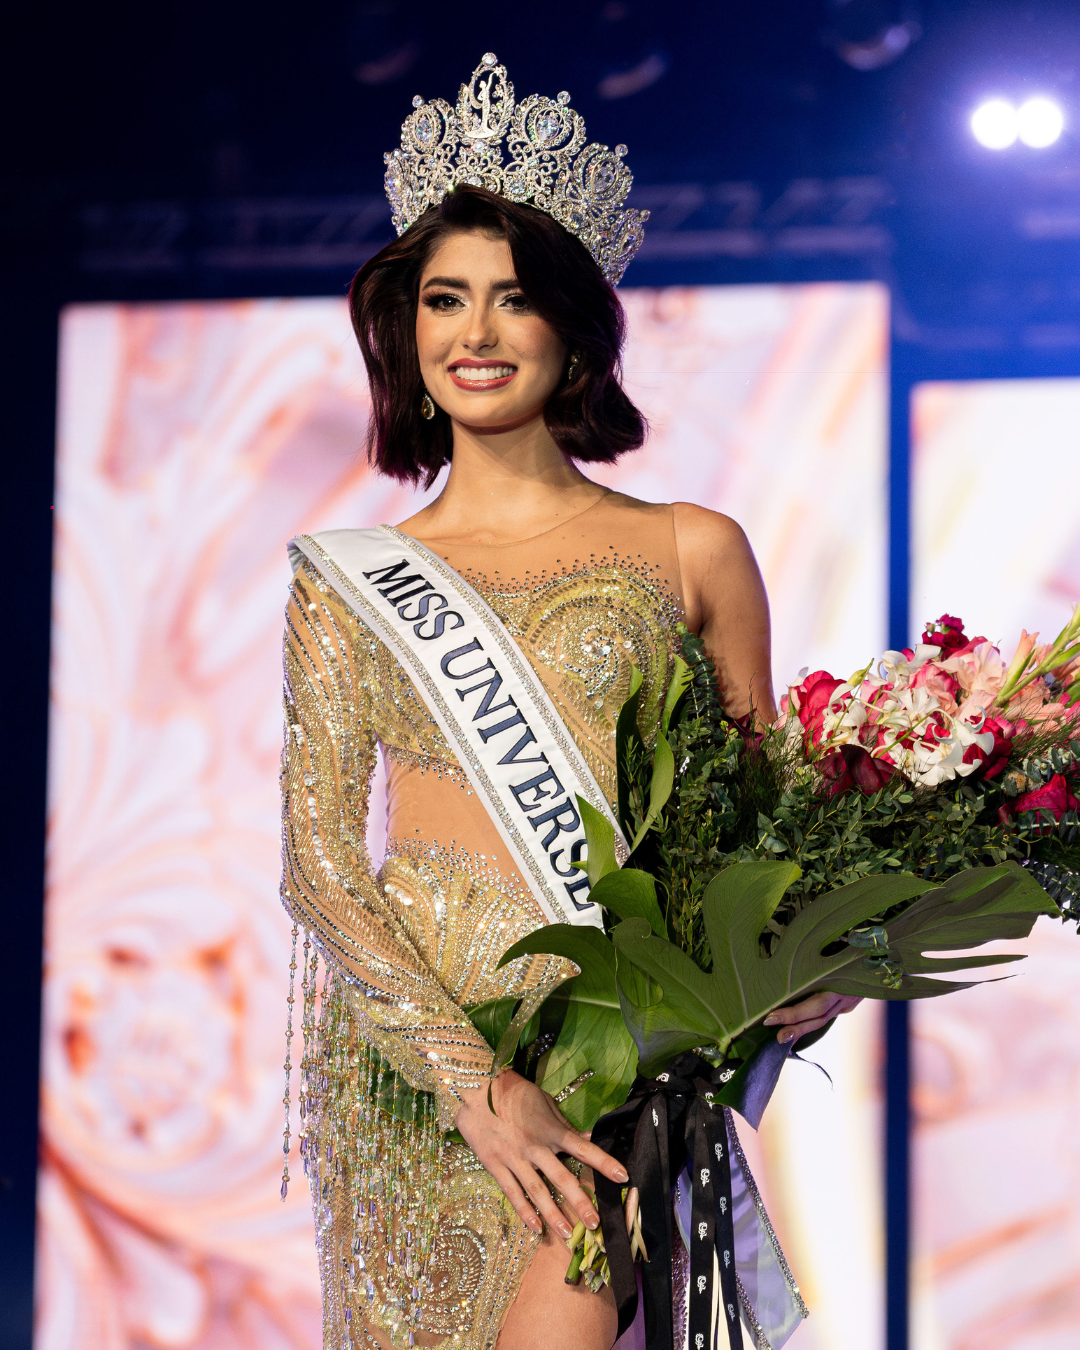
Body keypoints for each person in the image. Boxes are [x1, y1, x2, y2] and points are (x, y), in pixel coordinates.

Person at [279, 54, 859, 1350]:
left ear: (575, 328)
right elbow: (320, 860)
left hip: (613, 1048)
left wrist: (813, 959)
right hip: (418, 1077)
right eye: (444, 300)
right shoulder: (352, 579)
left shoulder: (695, 549)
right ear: (407, 332)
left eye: (515, 300)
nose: (476, 333)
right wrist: (471, 1079)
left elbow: (754, 832)